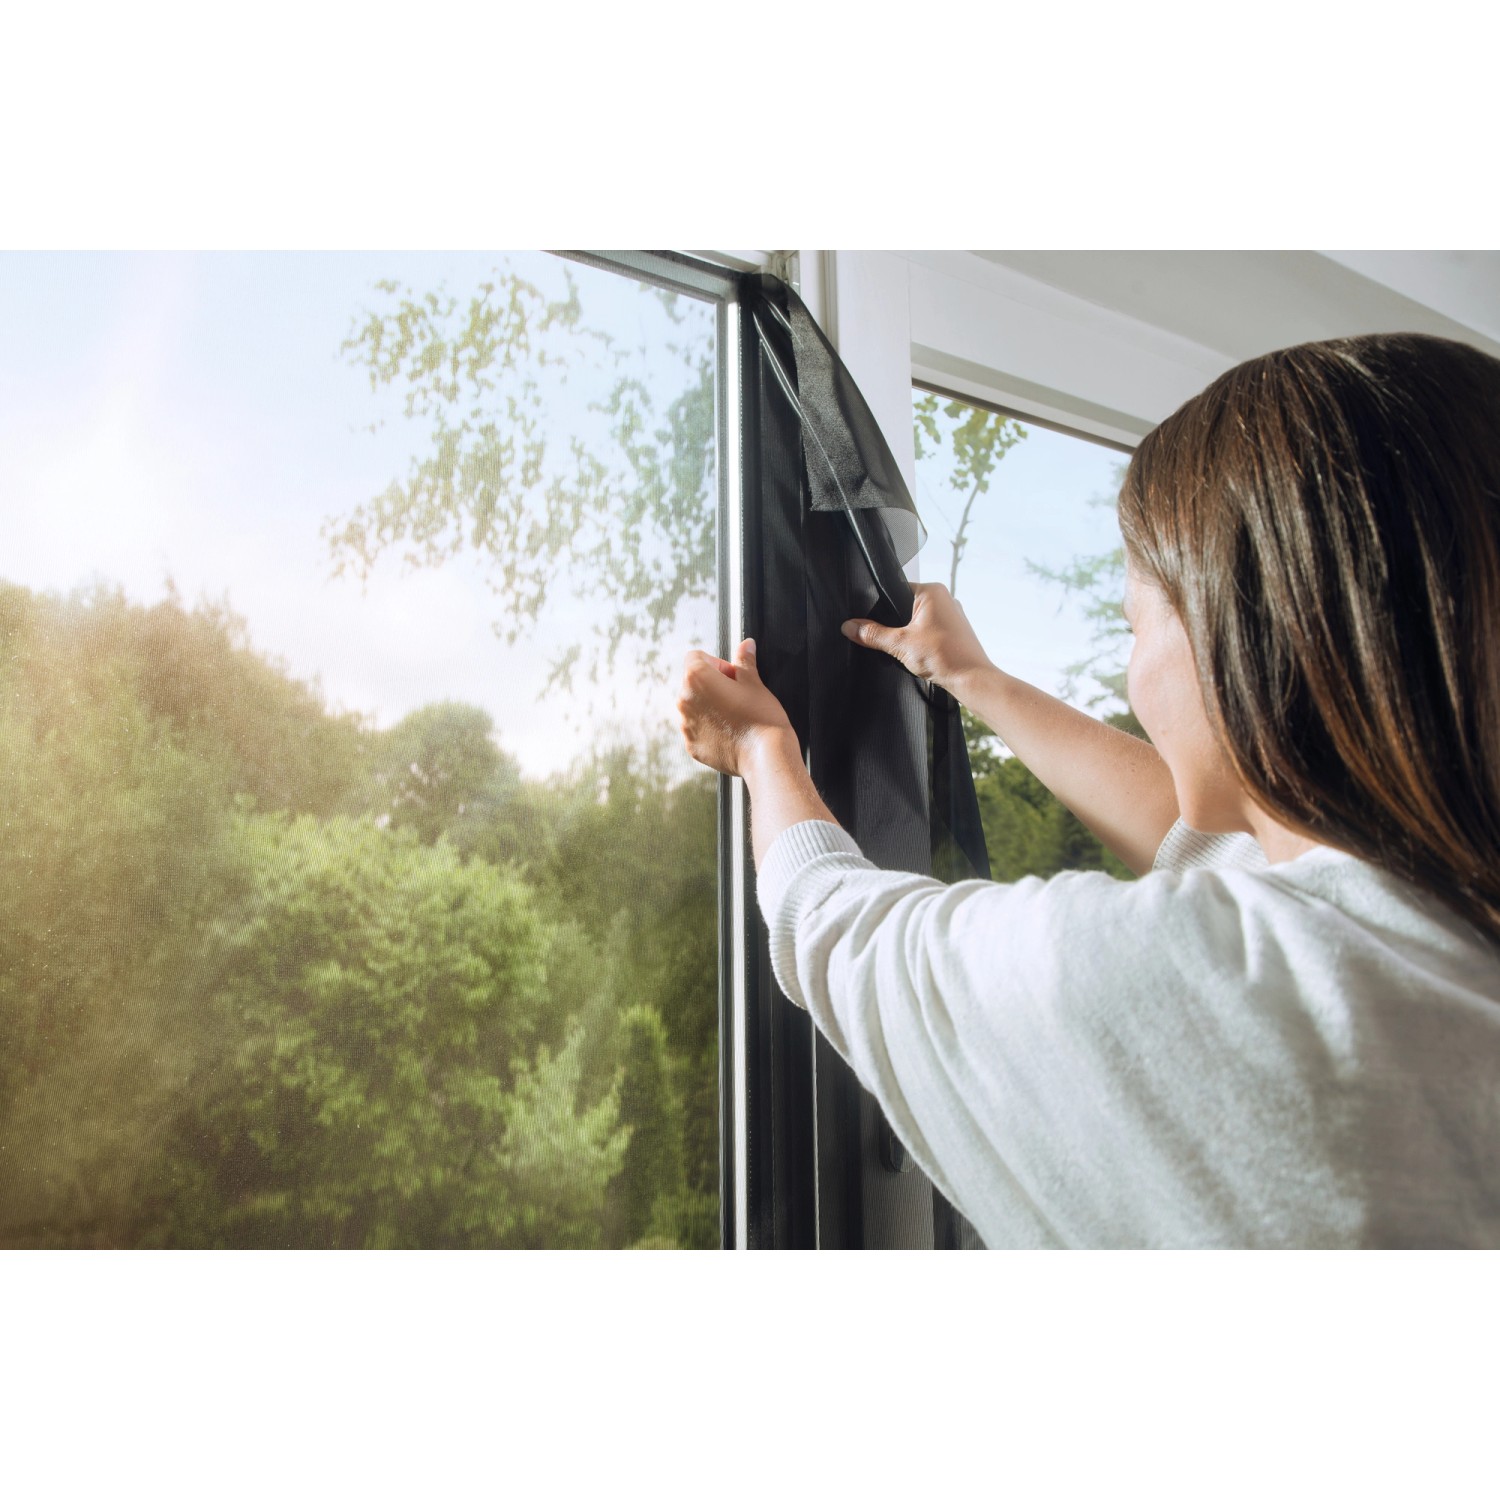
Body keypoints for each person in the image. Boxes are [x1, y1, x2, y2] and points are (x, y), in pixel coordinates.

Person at [675, 331, 1500, 1249]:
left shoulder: (1238, 1001)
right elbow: (1238, 845)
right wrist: (974, 680)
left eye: (1135, 624)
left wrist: (761, 750)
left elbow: (844, 930)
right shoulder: (1448, 923)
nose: (1131, 669)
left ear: (1244, 646)